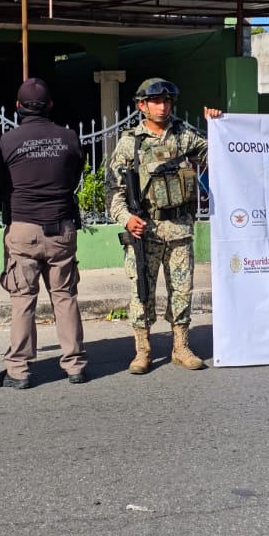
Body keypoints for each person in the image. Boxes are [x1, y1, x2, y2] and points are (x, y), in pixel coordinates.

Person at [106, 78, 222, 374]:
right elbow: (114, 192)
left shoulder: (184, 135)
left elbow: (219, 154)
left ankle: (181, 346)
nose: (163, 106)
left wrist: (217, 125)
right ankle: (142, 350)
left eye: (167, 101)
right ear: (142, 105)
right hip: (145, 232)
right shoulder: (130, 142)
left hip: (180, 229)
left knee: (182, 291)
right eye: (156, 101)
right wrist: (126, 218)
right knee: (141, 292)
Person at [0, 77, 88, 387]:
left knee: (23, 299)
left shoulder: (8, 142)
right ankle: (75, 365)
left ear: (17, 107)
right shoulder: (68, 137)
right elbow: (75, 176)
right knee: (65, 296)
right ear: (50, 105)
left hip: (23, 228)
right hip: (61, 228)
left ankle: (19, 370)